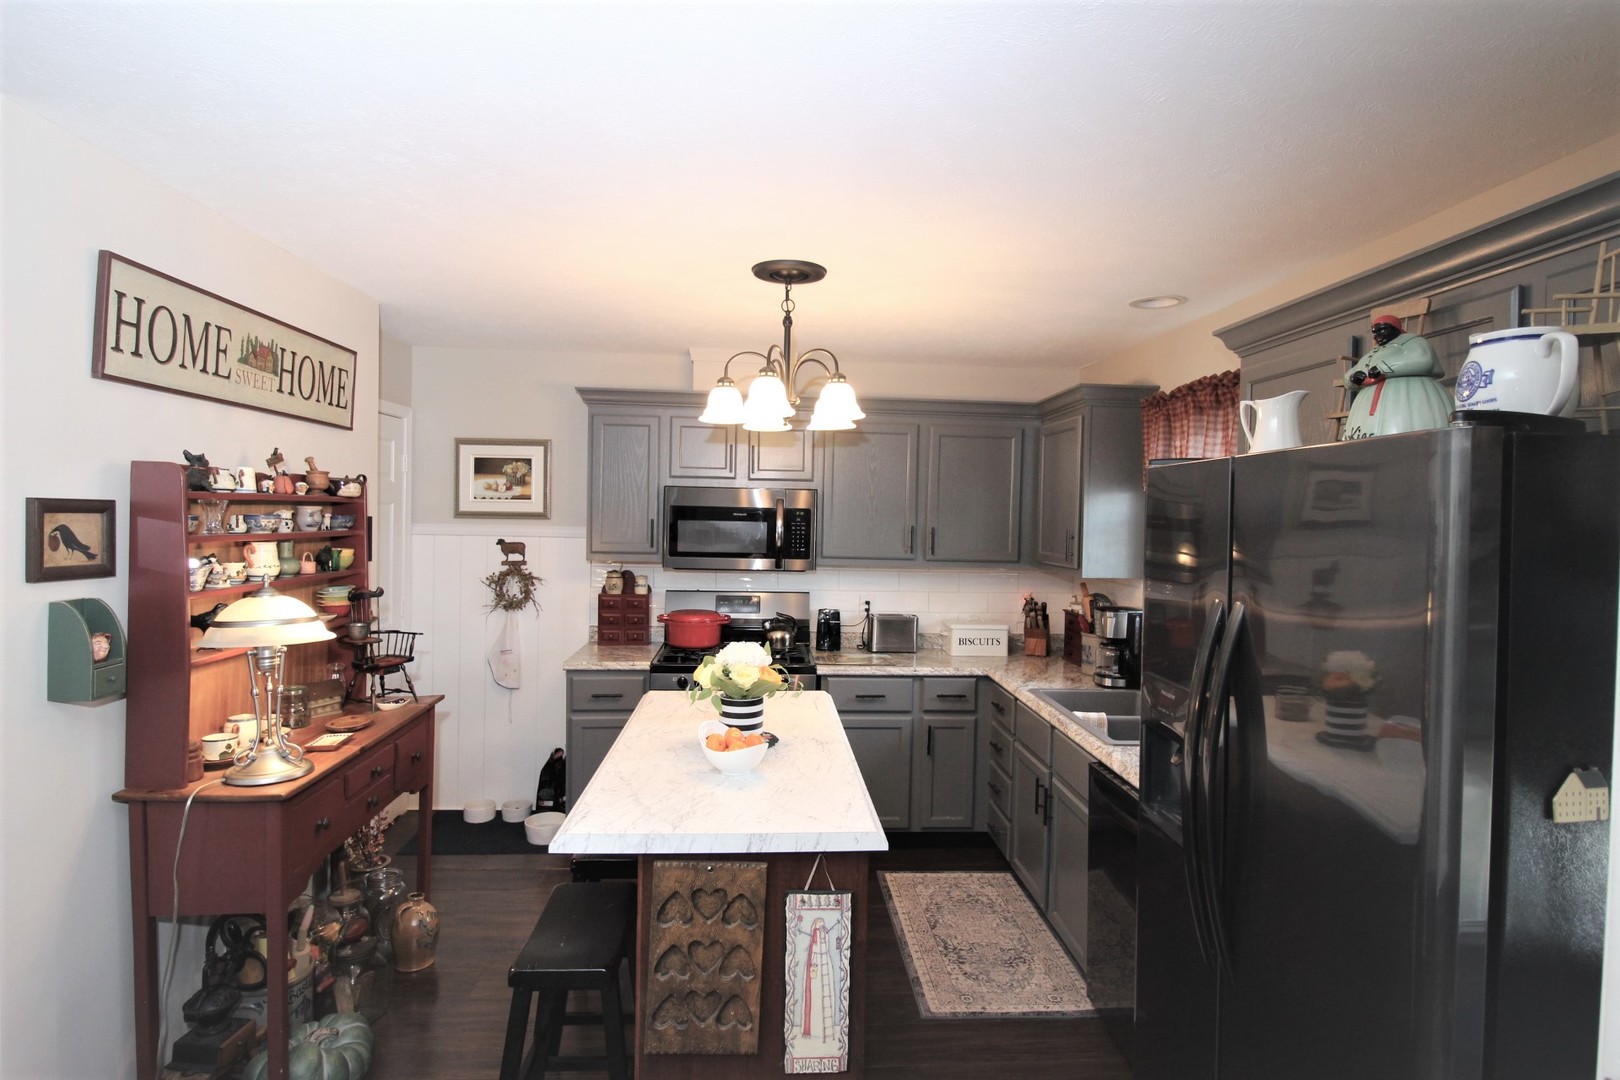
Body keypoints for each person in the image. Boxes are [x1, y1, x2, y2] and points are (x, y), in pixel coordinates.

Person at [1341, 314, 1452, 440]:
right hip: (1365, 411)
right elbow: (1350, 375)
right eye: (1375, 332)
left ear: (1395, 328)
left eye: (1382, 330)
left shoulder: (1413, 342)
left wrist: (1382, 369)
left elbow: (1423, 359)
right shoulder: (1373, 353)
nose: (1378, 335)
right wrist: (1353, 378)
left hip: (1409, 397)